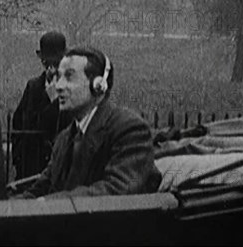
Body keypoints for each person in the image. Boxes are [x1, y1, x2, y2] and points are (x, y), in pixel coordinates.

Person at [18, 46, 161, 199]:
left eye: (69, 77)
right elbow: (41, 188)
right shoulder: (64, 139)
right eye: (58, 77)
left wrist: (47, 203)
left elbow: (117, 189)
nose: (58, 86)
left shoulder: (129, 130)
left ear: (98, 85)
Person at [12, 31, 71, 180]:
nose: (51, 69)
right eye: (46, 63)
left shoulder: (70, 88)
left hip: (58, 164)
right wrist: (18, 157)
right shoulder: (33, 87)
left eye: (55, 63)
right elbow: (21, 123)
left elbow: (67, 125)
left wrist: (54, 101)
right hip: (33, 164)